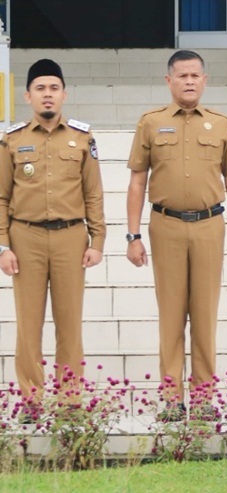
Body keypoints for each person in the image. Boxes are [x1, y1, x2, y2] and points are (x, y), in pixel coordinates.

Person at [126, 50, 227, 420]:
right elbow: (136, 182)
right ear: (169, 81)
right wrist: (132, 236)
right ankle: (170, 398)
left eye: (196, 75)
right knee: (170, 313)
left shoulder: (220, 124)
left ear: (205, 80)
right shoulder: (150, 123)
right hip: (165, 226)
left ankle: (205, 398)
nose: (190, 81)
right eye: (182, 75)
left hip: (210, 225)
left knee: (205, 314)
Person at [0, 59, 106, 410]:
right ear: (28, 95)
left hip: (70, 239)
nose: (48, 95)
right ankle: (31, 401)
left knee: (69, 323)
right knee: (28, 326)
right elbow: (1, 197)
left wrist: (98, 240)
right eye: (41, 89)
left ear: (64, 95)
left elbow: (93, 193)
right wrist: (3, 246)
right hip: (25, 238)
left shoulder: (82, 138)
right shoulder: (12, 140)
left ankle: (70, 401)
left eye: (54, 88)